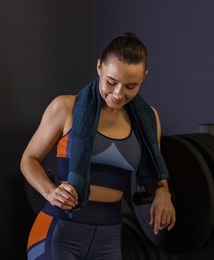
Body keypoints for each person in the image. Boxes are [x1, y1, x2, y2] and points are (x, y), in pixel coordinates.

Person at [20, 32, 176, 260]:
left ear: (144, 77)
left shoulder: (149, 119)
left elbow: (154, 177)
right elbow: (29, 160)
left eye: (131, 86)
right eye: (111, 82)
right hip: (58, 231)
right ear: (99, 67)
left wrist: (163, 193)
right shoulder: (65, 107)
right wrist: (50, 192)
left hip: (108, 238)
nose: (118, 94)